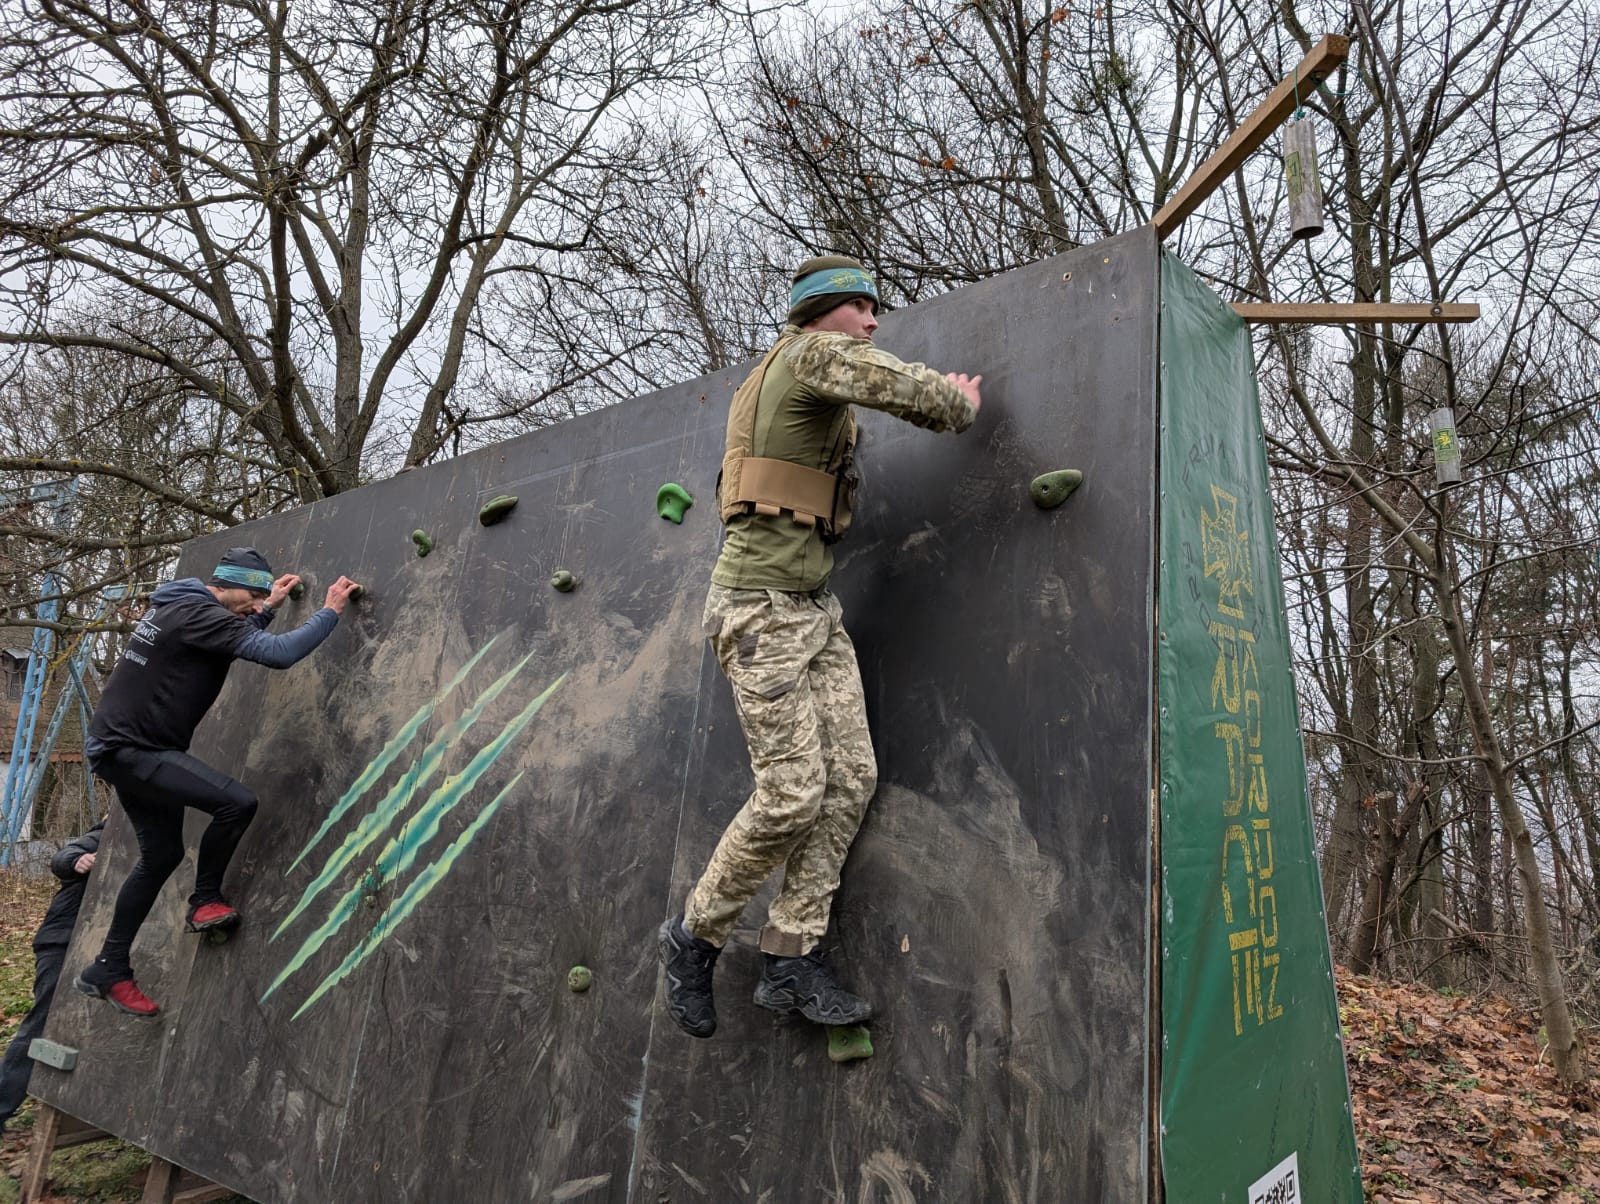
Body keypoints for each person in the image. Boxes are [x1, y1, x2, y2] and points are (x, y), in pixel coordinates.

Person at [657, 254, 982, 1038]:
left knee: (850, 780)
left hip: (810, 609)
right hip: (758, 610)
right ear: (822, 309)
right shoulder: (808, 353)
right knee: (792, 792)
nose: (873, 321)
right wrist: (958, 402)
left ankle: (789, 959)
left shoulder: (790, 377)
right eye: (861, 307)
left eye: (877, 309)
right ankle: (692, 938)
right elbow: (911, 392)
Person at [74, 548, 361, 1018]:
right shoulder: (198, 612)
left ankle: (108, 968)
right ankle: (205, 898)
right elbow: (278, 654)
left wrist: (266, 606)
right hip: (135, 752)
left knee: (162, 855)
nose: (254, 606)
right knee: (236, 803)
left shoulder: (180, 606)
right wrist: (329, 611)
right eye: (251, 596)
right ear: (224, 585)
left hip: (122, 749)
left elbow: (233, 637)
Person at [0, 819, 103, 1136]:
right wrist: (78, 861)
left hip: (94, 949)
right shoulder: (100, 836)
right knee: (41, 1024)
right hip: (62, 944)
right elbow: (62, 859)